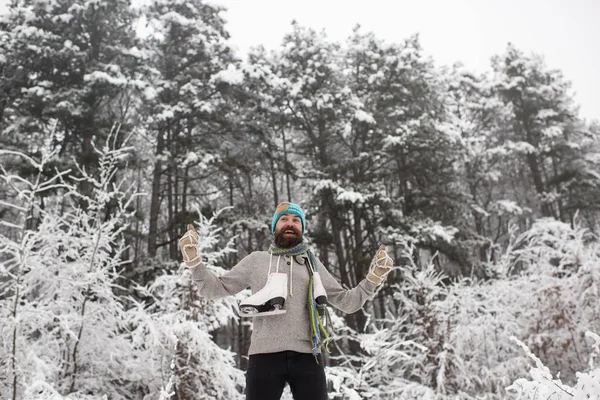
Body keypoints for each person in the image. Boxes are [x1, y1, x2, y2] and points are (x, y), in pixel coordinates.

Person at [178, 201, 394, 400]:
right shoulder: (257, 261)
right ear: (274, 227)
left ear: (302, 228)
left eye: (296, 220)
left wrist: (374, 277)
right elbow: (215, 289)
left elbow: (347, 302)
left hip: (308, 356)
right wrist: (193, 260)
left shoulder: (312, 265)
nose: (290, 224)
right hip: (264, 356)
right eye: (284, 219)